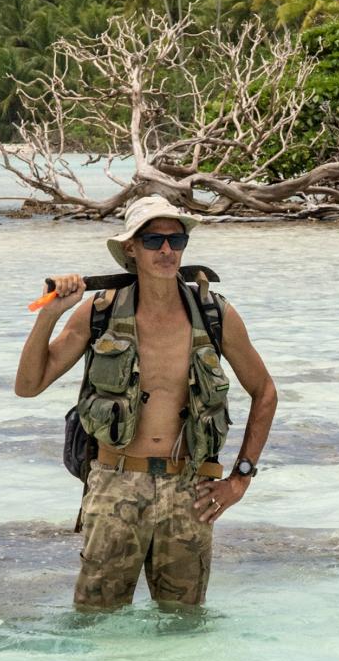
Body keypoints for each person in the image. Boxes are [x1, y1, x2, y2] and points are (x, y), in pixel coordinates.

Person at [14, 195, 278, 608]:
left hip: (190, 489)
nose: (167, 250)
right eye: (153, 240)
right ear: (131, 249)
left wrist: (240, 479)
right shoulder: (98, 311)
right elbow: (28, 386)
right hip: (115, 484)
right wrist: (49, 314)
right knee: (94, 621)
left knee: (184, 625)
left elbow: (265, 391)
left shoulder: (213, 314)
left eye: (176, 241)